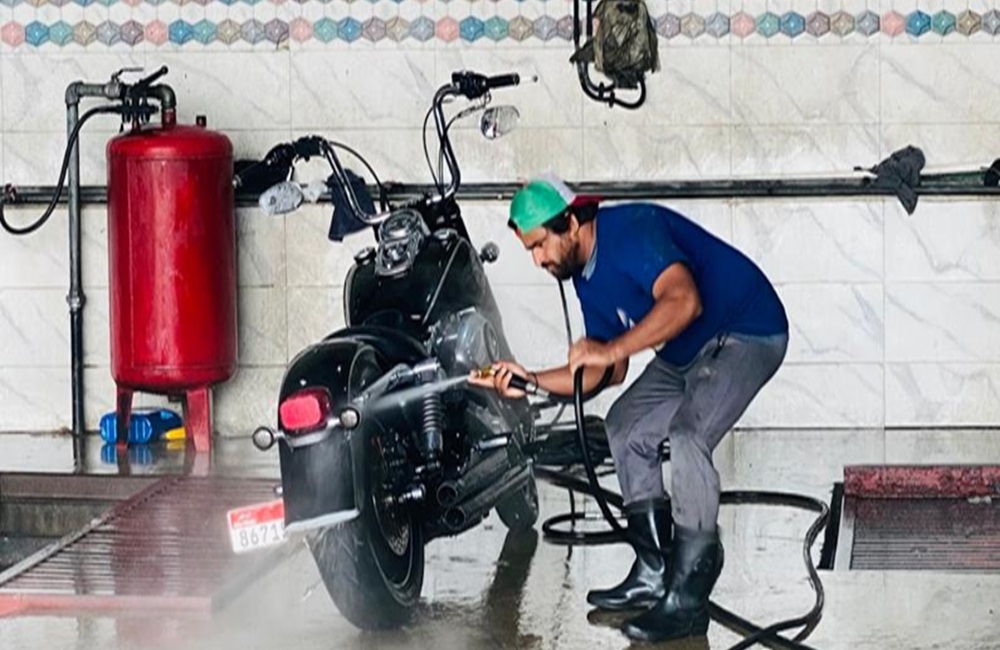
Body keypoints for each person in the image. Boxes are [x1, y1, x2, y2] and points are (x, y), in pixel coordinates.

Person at [469, 174, 789, 643]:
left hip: (746, 332)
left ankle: (689, 593)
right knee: (625, 424)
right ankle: (654, 568)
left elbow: (685, 302)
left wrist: (611, 348)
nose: (538, 260)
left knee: (688, 435)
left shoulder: (631, 230)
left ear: (571, 223)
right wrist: (529, 380)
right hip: (687, 353)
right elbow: (605, 371)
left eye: (539, 245)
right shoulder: (585, 278)